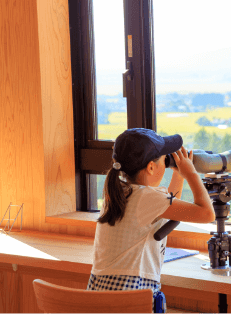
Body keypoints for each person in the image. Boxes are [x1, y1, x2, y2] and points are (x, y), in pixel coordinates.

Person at [86, 128, 215, 313]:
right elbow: (207, 214)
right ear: (151, 167)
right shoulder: (146, 198)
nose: (166, 162)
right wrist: (191, 173)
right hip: (130, 298)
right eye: (164, 159)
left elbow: (168, 208)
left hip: (101, 298)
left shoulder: (117, 193)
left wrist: (178, 174)